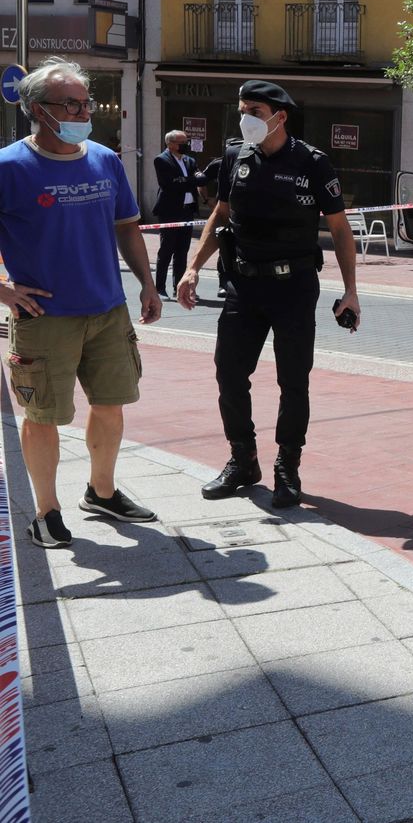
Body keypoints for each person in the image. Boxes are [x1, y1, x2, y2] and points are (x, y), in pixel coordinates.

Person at [177, 80, 362, 509]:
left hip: (294, 287)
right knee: (228, 372)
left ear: (279, 116)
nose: (246, 119)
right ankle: (243, 459)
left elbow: (339, 229)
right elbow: (221, 215)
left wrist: (351, 291)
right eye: (242, 110)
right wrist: (192, 267)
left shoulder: (313, 163)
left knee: (292, 381)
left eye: (254, 111)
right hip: (244, 284)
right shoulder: (234, 156)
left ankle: (288, 466)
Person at [0, 58, 161, 546]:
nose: (83, 111)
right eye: (70, 103)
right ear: (36, 109)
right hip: (44, 316)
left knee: (111, 405)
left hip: (107, 309)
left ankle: (102, 491)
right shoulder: (9, 167)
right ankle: (46, 512)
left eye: (85, 102)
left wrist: (147, 284)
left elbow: (127, 228)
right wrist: (3, 290)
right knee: (44, 415)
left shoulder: (104, 159)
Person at [152, 128, 203, 299]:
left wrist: (193, 179)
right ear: (171, 144)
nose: (185, 145)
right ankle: (159, 288)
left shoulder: (189, 160)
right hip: (170, 211)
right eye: (182, 143)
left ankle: (178, 287)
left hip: (187, 211)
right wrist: (191, 180)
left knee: (182, 251)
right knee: (166, 250)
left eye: (186, 142)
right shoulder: (161, 160)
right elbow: (169, 184)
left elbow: (197, 175)